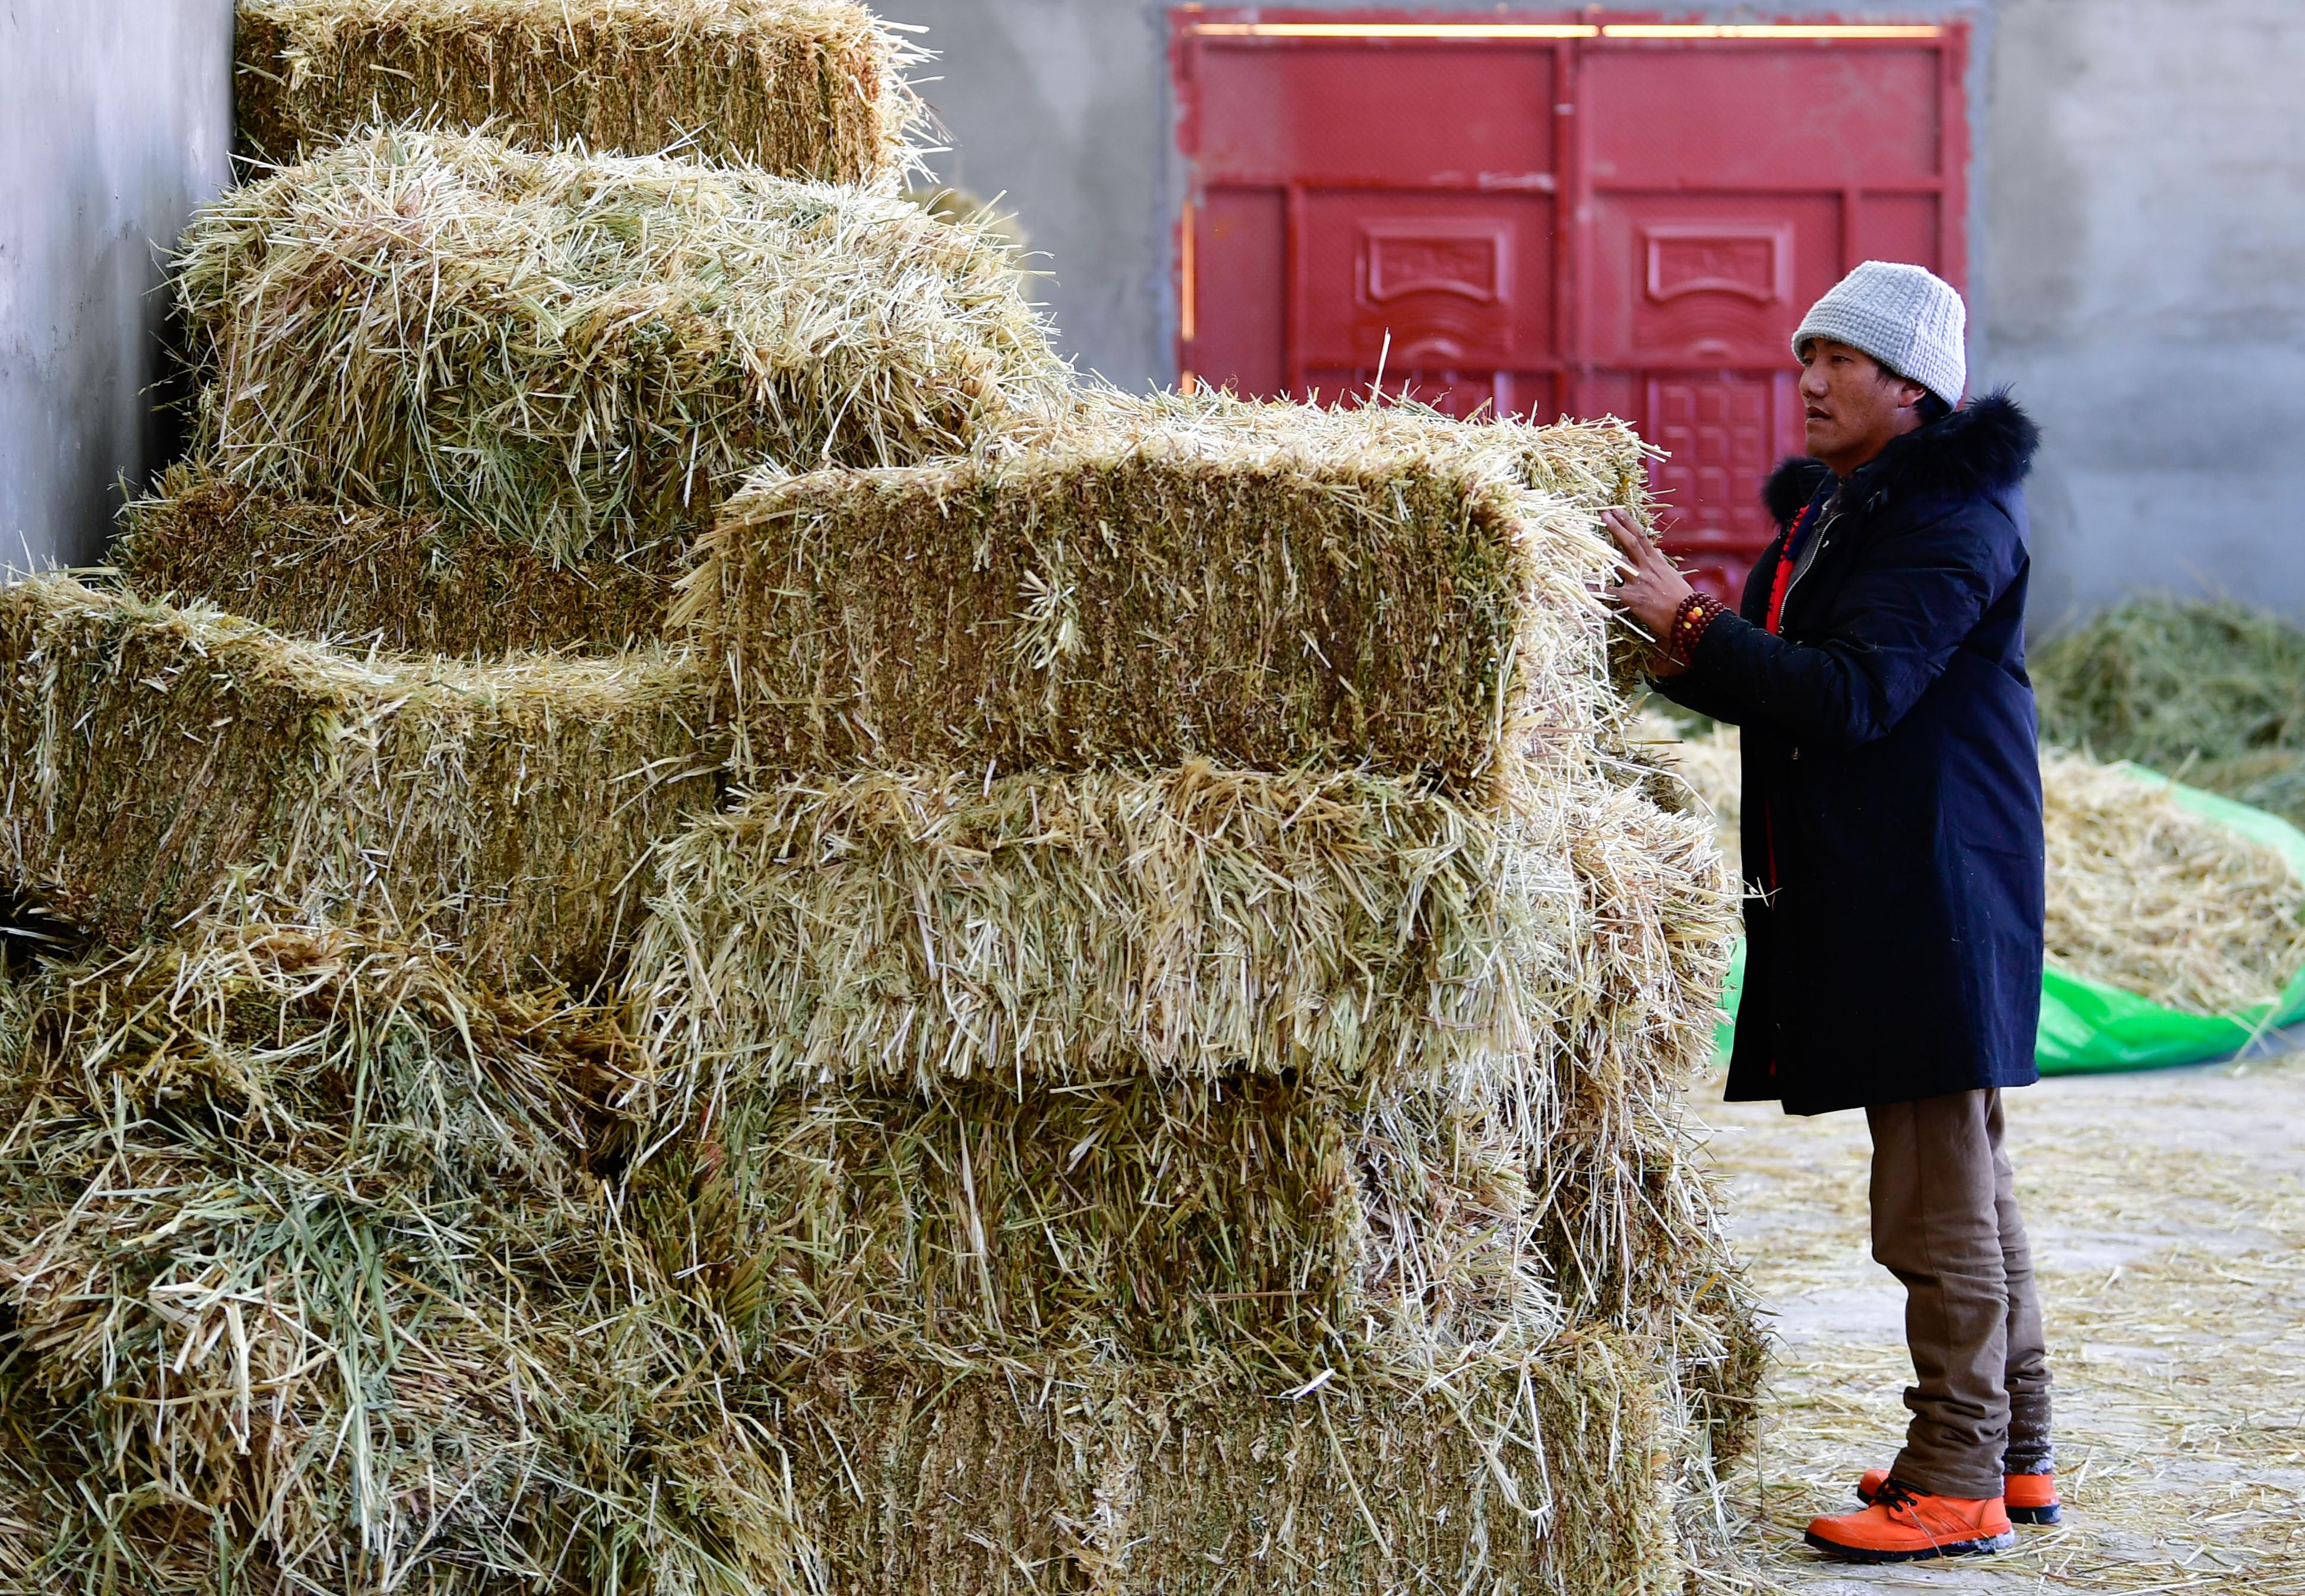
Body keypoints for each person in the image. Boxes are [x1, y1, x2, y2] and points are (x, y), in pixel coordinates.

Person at [1605, 261, 2054, 1564]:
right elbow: (1784, 689)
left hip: (1932, 890)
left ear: (1908, 385)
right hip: (1890, 880)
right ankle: (2010, 1457)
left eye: (1835, 360)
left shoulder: (1949, 518)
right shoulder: (1845, 513)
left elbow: (1851, 698)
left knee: (1930, 1205)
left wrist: (1691, 621)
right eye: (1802, 355)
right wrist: (1659, 634)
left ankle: (1954, 1477)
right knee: (1964, 1184)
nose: (1804, 379)